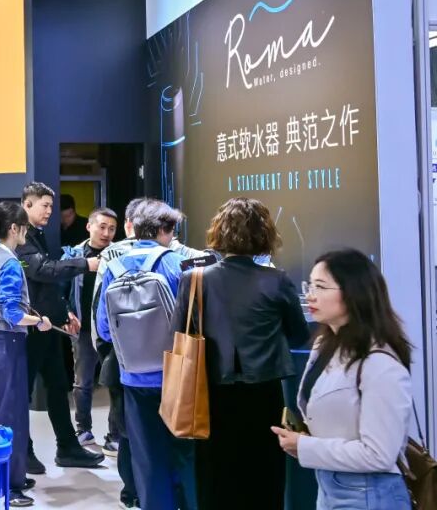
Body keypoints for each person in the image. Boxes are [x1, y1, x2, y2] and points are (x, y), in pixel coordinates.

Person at [173, 198, 309, 510]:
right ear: (265, 234)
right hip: (264, 392)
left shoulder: (195, 279)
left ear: (218, 231)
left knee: (215, 479)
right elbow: (299, 334)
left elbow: (179, 333)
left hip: (209, 394)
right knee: (263, 478)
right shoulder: (277, 280)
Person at [273, 250, 413, 510]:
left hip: (370, 496)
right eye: (309, 285)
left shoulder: (379, 362)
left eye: (321, 286)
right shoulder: (325, 345)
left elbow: (379, 455)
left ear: (353, 292)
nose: (310, 295)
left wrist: (306, 446)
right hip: (329, 489)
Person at [97, 199, 195, 510]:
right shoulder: (177, 264)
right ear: (164, 230)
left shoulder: (114, 267)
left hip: (133, 377)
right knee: (184, 453)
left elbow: (103, 329)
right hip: (176, 376)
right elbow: (192, 323)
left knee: (147, 457)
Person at [19, 182, 104, 473]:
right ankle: (23, 452)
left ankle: (67, 447)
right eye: (44, 206)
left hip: (48, 325)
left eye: (51, 207)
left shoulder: (39, 235)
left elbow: (47, 281)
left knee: (57, 386)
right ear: (27, 204)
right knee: (22, 393)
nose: (49, 212)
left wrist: (64, 311)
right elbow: (41, 270)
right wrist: (85, 264)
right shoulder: (20, 237)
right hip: (30, 328)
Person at [0, 201, 52, 507]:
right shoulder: (8, 263)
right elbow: (12, 313)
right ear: (14, 229)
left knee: (1, 411)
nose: (26, 233)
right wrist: (40, 321)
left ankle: (11, 476)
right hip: (7, 343)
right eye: (24, 228)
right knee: (11, 416)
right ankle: (9, 484)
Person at [68, 208, 118, 448]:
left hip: (112, 331)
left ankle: (115, 435)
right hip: (84, 330)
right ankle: (83, 430)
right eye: (102, 227)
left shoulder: (119, 254)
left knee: (115, 383)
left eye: (112, 229)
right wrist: (67, 312)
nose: (106, 233)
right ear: (89, 226)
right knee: (83, 382)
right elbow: (64, 289)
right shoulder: (75, 254)